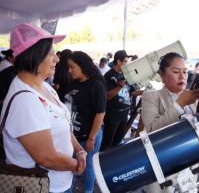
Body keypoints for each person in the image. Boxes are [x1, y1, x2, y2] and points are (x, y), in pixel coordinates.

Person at [0, 23, 86, 193]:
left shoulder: (44, 86)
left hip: (60, 181)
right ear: (34, 56)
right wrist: (78, 165)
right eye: (51, 54)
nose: (57, 59)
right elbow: (47, 158)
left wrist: (80, 150)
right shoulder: (25, 100)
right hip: (43, 187)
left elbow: (63, 124)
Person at [142, 52, 199, 192]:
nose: (182, 76)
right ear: (162, 74)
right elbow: (153, 129)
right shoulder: (151, 96)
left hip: (188, 170)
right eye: (176, 71)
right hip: (163, 173)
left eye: (185, 71)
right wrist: (180, 103)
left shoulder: (191, 101)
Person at [64, 51, 107, 193]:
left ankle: (88, 191)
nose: (70, 71)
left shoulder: (96, 84)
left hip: (89, 136)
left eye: (72, 67)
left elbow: (100, 113)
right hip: (72, 137)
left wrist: (91, 138)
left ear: (82, 65)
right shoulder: (73, 84)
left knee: (89, 167)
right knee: (71, 167)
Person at [100, 50, 143, 151]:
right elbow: (108, 95)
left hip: (124, 115)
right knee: (108, 141)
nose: (127, 64)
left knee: (119, 139)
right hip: (112, 115)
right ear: (118, 61)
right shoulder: (109, 75)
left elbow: (132, 91)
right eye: (125, 62)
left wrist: (144, 92)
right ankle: (103, 161)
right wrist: (119, 87)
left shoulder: (127, 75)